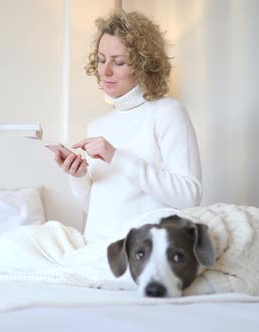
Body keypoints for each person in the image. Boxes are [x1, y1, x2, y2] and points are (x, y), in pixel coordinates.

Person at [53, 10, 202, 242]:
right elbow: (94, 208)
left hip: (141, 249)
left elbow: (189, 195)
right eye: (101, 60)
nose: (105, 71)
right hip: (96, 248)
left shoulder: (167, 113)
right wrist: (79, 176)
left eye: (118, 62)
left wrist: (117, 156)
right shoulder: (97, 125)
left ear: (143, 65)